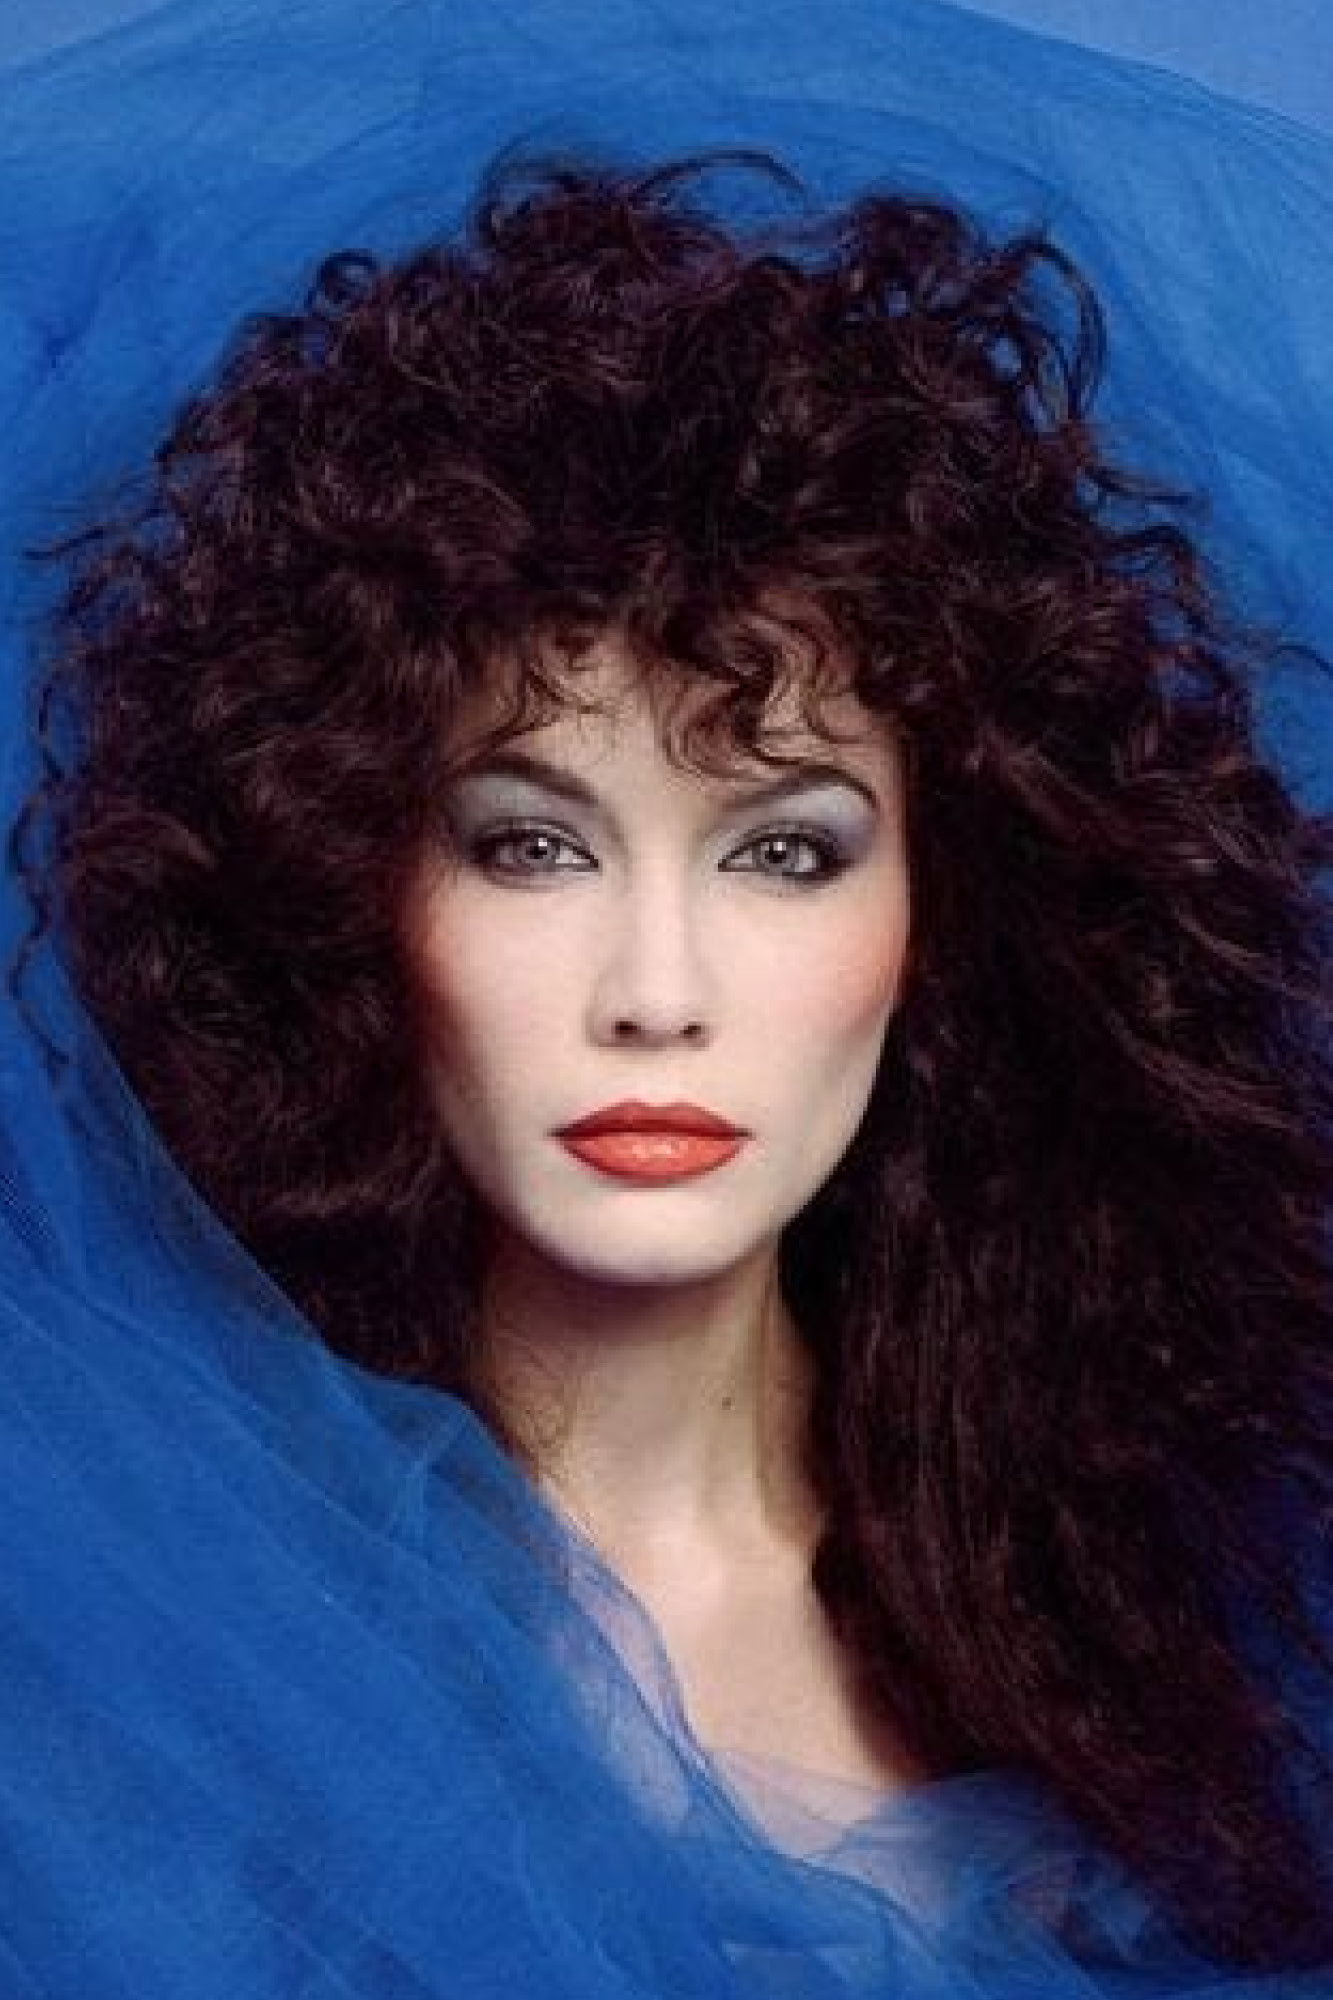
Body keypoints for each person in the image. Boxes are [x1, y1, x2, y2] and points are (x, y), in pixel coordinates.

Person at [3, 4, 1333, 1992]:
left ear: (945, 907)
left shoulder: (1190, 1602)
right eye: (529, 846)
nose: (654, 993)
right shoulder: (134, 1651)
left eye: (782, 851)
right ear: (353, 889)